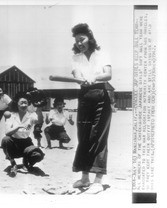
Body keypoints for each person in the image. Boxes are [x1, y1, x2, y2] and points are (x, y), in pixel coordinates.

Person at [49, 23, 112, 194]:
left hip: (101, 97)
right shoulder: (76, 58)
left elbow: (108, 74)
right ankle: (85, 178)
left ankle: (98, 180)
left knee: (98, 137)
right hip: (84, 97)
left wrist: (94, 77)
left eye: (82, 39)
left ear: (90, 38)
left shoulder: (102, 54)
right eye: (76, 40)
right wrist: (81, 79)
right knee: (83, 136)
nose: (79, 43)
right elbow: (76, 75)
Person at [1, 92, 45, 177]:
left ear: (28, 105)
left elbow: (37, 121)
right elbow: (7, 132)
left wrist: (38, 107)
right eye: (21, 103)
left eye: (26, 103)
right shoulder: (11, 115)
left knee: (38, 155)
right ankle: (13, 163)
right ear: (17, 104)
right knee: (5, 140)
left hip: (26, 142)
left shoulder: (31, 115)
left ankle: (26, 163)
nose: (24, 105)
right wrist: (18, 126)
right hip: (14, 143)